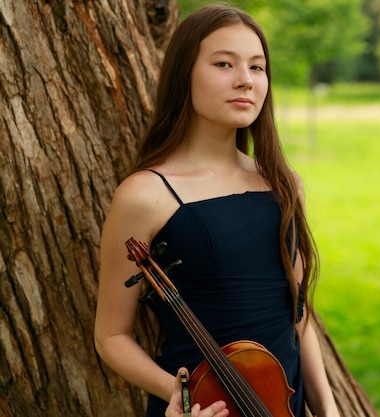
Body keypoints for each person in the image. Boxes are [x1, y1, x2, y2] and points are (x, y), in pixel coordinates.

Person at [93, 4, 340, 417]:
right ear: (184, 74)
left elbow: (297, 317)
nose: (245, 80)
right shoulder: (145, 195)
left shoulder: (282, 183)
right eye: (224, 64)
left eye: (257, 68)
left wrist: (328, 412)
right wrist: (181, 395)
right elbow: (111, 335)